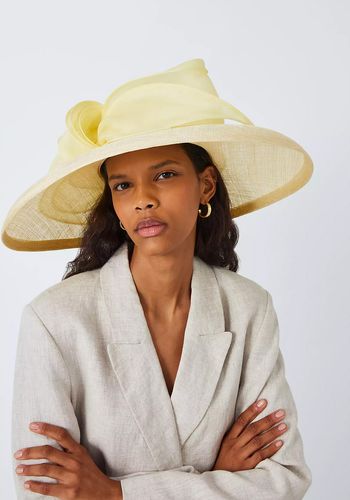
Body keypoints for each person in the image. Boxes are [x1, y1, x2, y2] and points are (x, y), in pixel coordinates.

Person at [2, 58, 313, 499]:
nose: (143, 200)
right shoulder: (55, 320)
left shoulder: (248, 309)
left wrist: (114, 493)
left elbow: (284, 479)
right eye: (123, 185)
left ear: (205, 186)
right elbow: (42, 491)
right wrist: (216, 479)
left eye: (165, 175)